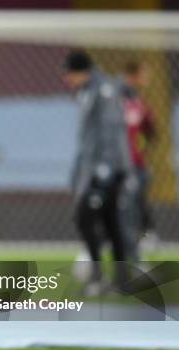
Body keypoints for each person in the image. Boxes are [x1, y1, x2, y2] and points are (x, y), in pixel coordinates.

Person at [62, 50, 133, 292]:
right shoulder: (89, 90)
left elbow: (111, 132)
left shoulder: (104, 90)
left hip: (107, 169)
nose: (67, 79)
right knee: (108, 221)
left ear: (81, 71)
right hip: (94, 169)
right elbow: (88, 138)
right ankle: (118, 278)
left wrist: (105, 170)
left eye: (69, 73)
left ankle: (101, 276)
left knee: (90, 218)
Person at [122, 61, 157, 256]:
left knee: (138, 198)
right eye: (144, 74)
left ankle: (147, 234)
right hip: (119, 163)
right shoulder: (118, 102)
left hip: (136, 162)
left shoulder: (140, 104)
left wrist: (140, 146)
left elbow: (151, 132)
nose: (147, 79)